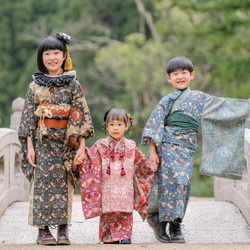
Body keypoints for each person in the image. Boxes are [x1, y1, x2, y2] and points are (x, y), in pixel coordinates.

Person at [141, 56, 249, 243]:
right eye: (175, 74)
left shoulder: (199, 98)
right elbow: (154, 125)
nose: (180, 77)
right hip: (167, 146)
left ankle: (175, 224)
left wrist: (246, 106)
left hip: (187, 148)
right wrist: (153, 150)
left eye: (184, 73)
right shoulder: (167, 100)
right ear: (169, 78)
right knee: (166, 185)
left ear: (192, 75)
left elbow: (222, 107)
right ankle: (159, 221)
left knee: (183, 185)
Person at [18, 32, 94, 245]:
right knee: (41, 187)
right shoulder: (35, 86)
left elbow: (81, 115)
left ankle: (63, 230)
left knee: (65, 187)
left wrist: (81, 147)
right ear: (41, 57)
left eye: (56, 53)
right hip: (41, 145)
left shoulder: (73, 85)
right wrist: (30, 146)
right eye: (47, 53)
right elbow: (27, 119)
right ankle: (42, 231)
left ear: (64, 56)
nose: (52, 57)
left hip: (66, 145)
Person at [73, 108, 155, 244]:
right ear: (106, 126)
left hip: (125, 187)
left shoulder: (131, 145)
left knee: (125, 211)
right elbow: (89, 158)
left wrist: (151, 166)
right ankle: (108, 236)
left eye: (119, 125)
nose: (115, 128)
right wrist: (80, 156)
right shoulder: (100, 145)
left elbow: (141, 164)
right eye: (111, 125)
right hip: (107, 186)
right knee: (107, 211)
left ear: (126, 126)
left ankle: (125, 235)